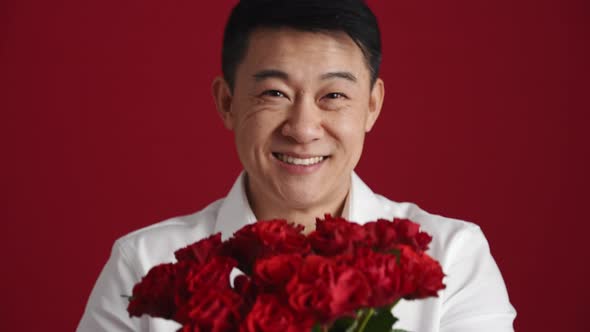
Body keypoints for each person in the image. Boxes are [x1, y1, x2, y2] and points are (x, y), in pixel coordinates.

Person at [77, 1, 516, 331]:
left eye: (334, 96)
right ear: (227, 102)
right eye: (274, 93)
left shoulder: (451, 256)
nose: (304, 128)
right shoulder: (144, 264)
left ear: (372, 106)